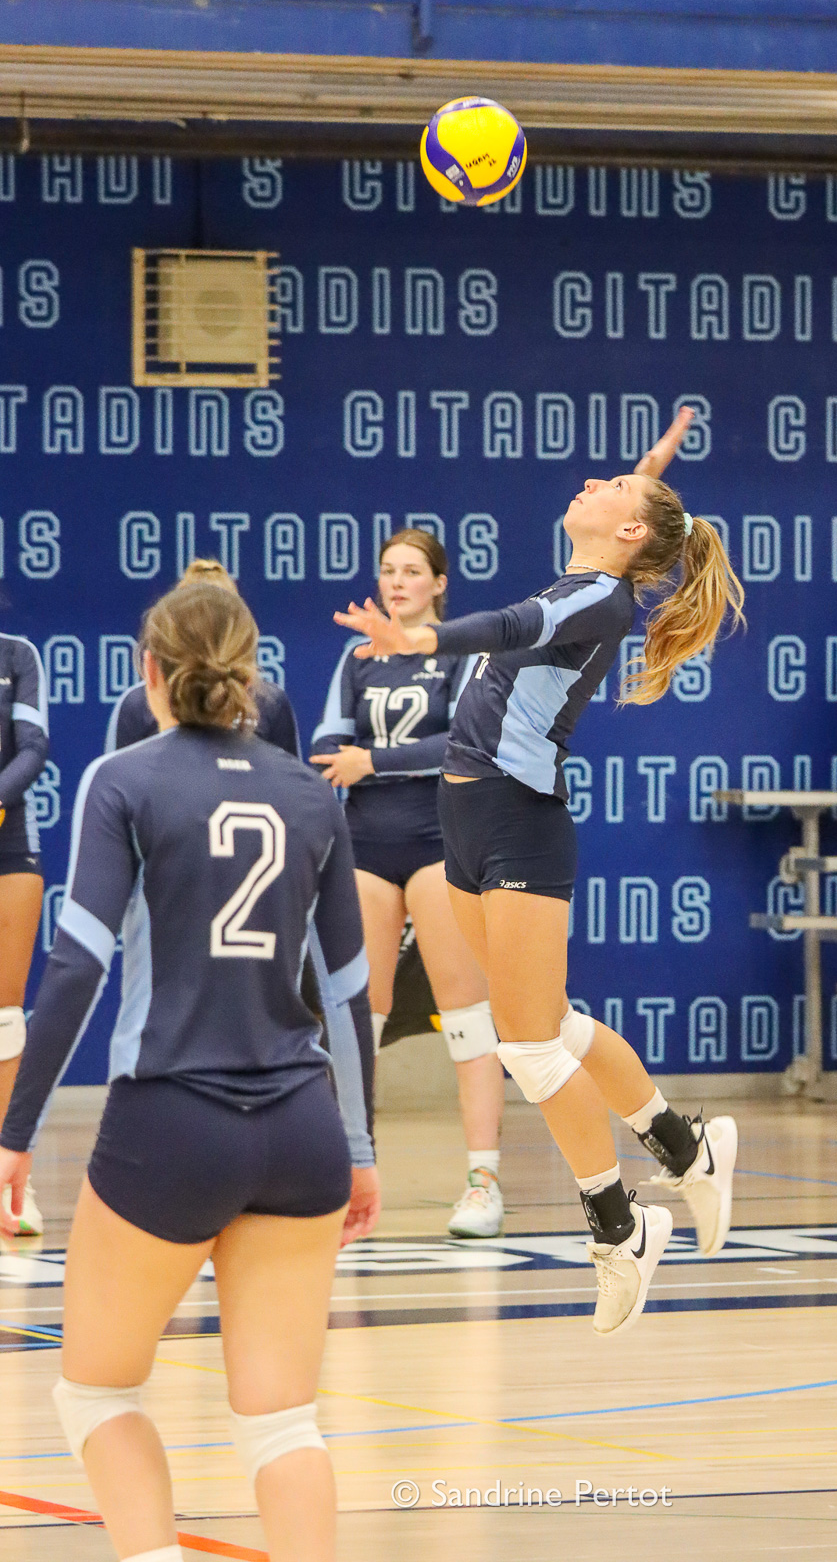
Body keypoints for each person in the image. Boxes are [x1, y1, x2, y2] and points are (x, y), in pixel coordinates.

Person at [333, 408, 744, 1337]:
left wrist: (419, 643)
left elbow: (510, 622)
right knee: (549, 1024)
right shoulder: (596, 572)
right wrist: (655, 469)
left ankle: (619, 1223)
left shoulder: (595, 599)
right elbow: (635, 527)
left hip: (520, 825)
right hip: (466, 816)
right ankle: (685, 1148)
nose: (593, 482)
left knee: (525, 1046)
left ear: (629, 531)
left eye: (613, 488)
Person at [0, 582, 378, 1562]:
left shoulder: (124, 779)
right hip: (302, 1130)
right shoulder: (309, 793)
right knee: (283, 1421)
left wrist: (14, 1132)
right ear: (252, 673)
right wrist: (363, 1149)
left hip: (169, 1122)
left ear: (149, 672)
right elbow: (346, 993)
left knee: (96, 1392)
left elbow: (77, 967)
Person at [310, 530, 506, 1237]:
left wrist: (375, 761)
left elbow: (461, 743)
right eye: (388, 570)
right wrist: (362, 761)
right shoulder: (356, 656)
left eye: (412, 571)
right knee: (360, 1013)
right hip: (365, 844)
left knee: (465, 1014)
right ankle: (347, 1171)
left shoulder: (458, 651)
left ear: (438, 584)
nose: (398, 582)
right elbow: (329, 748)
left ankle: (483, 1181)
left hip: (437, 842)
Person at [106, 558, 300, 758]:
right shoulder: (137, 703)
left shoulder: (270, 702)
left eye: (220, 616)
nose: (207, 628)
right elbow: (120, 776)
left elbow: (289, 778)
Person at [0, 627, 49, 1236]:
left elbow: (33, 748)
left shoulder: (18, 654)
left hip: (9, 847)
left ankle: (12, 1181)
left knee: (5, 1014)